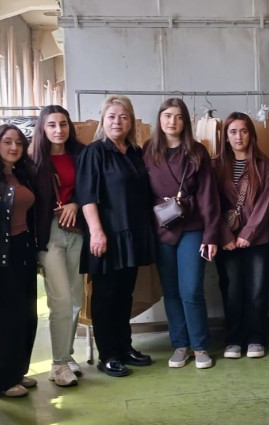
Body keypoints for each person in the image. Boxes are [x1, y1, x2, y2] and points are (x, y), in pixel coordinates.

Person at [76, 95, 156, 377]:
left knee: (124, 295)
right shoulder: (95, 152)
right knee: (106, 297)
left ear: (131, 121)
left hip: (131, 235)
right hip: (107, 235)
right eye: (111, 116)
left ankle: (124, 347)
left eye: (123, 117)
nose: (117, 122)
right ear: (103, 120)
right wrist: (96, 232)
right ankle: (108, 354)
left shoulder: (134, 152)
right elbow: (87, 196)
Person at [143, 98, 222, 369]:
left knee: (191, 289)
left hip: (192, 227)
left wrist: (211, 236)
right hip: (161, 226)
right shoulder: (148, 150)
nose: (172, 121)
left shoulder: (197, 152)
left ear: (185, 121)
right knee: (171, 291)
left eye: (178, 116)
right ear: (159, 119)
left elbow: (209, 197)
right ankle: (180, 344)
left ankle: (199, 346)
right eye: (167, 115)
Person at [30, 105, 88, 387]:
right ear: (42, 128)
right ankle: (57, 364)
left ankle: (66, 354)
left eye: (63, 124)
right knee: (61, 298)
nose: (58, 130)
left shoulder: (81, 154)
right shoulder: (32, 161)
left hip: (76, 230)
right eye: (51, 124)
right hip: (49, 233)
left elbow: (90, 187)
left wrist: (75, 203)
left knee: (76, 298)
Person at [211, 112, 269, 360]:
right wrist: (224, 234)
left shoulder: (264, 164)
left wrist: (249, 232)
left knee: (257, 290)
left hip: (257, 240)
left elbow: (267, 201)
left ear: (251, 134)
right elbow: (211, 203)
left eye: (244, 131)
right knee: (231, 290)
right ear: (226, 136)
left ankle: (256, 337)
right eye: (233, 132)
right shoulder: (215, 165)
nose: (238, 137)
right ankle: (234, 339)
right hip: (227, 241)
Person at [0, 124, 38, 398]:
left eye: (18, 143)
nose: (14, 147)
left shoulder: (19, 174)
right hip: (2, 255)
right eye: (7, 142)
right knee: (7, 318)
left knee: (27, 316)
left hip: (24, 249)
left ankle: (16, 371)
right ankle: (2, 380)